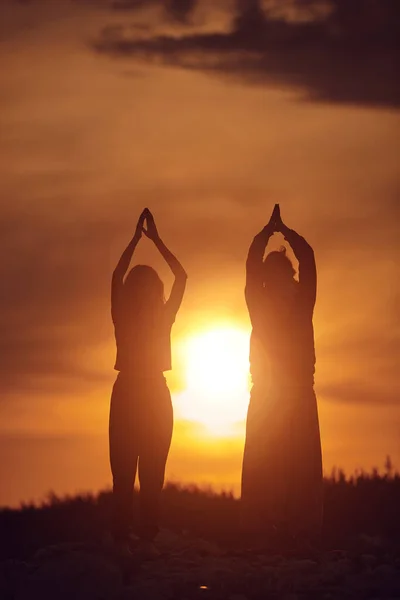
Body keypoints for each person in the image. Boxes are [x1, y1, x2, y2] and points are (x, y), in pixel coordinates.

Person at [241, 204, 323, 545]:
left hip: (299, 393)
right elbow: (250, 268)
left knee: (300, 467)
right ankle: (263, 532)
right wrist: (268, 233)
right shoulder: (259, 306)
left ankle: (298, 532)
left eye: (281, 276)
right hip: (267, 396)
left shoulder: (301, 304)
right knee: (264, 467)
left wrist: (280, 231)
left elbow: (309, 262)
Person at [109, 208, 187, 557]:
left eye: (147, 288)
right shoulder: (122, 315)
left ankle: (146, 537)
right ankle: (124, 536)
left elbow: (181, 276)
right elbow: (116, 276)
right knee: (124, 472)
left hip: (154, 394)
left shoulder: (163, 317)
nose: (143, 294)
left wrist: (153, 240)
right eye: (138, 288)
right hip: (129, 394)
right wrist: (135, 241)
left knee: (153, 474)